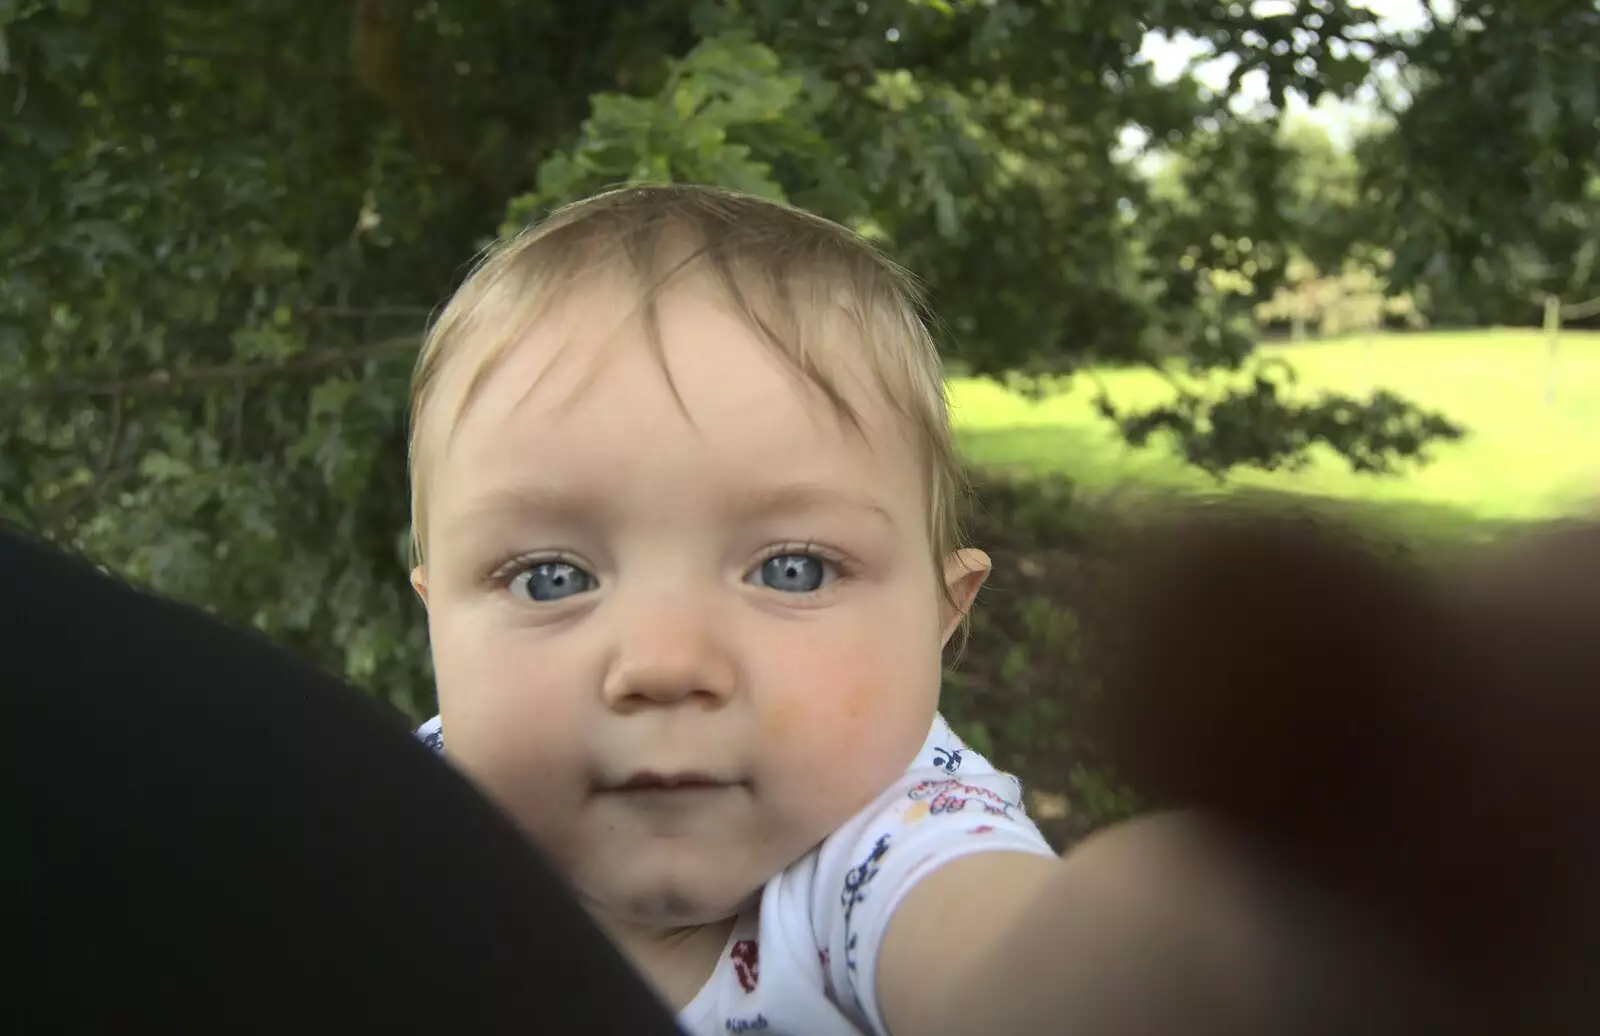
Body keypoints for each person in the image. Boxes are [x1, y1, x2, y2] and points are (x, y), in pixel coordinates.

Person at [399, 183, 1436, 1036]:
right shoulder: (389, 822)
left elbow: (1010, 966)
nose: (665, 663)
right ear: (433, 611)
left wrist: (1162, 937)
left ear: (943, 614)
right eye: (549, 578)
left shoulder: (887, 840)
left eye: (793, 568)